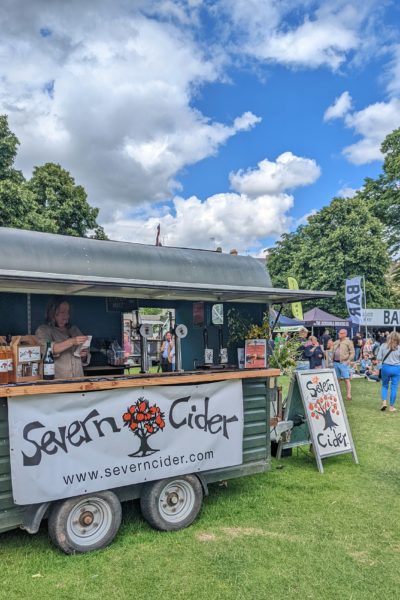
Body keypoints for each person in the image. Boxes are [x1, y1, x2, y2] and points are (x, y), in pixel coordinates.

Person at [35, 296, 90, 379]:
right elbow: (49, 349)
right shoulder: (43, 330)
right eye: (62, 312)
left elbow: (85, 354)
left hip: (79, 381)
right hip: (58, 382)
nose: (66, 316)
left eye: (67, 312)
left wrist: (84, 355)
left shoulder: (74, 330)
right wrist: (71, 341)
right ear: (52, 313)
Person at [376, 331, 400, 412]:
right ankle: (391, 407)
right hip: (396, 368)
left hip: (385, 367)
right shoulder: (399, 347)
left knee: (384, 386)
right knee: (394, 387)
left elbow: (379, 357)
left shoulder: (383, 346)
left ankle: (384, 403)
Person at [332, 329, 355, 400]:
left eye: (341, 333)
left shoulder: (349, 342)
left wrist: (348, 361)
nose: (339, 334)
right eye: (339, 333)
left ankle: (348, 394)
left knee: (346, 379)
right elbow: (331, 351)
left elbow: (352, 352)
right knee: (337, 379)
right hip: (335, 363)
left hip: (343, 363)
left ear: (345, 334)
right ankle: (336, 394)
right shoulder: (336, 342)